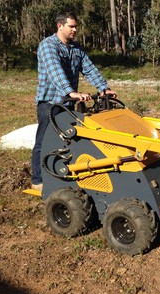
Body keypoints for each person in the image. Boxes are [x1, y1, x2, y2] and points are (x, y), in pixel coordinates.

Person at [31, 11, 117, 190]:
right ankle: (38, 180)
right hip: (50, 102)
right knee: (44, 141)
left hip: (68, 103)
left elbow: (89, 69)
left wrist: (103, 88)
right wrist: (70, 91)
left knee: (67, 141)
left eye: (76, 26)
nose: (75, 30)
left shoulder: (76, 49)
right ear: (59, 26)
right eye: (71, 26)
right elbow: (55, 72)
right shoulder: (48, 46)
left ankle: (59, 173)